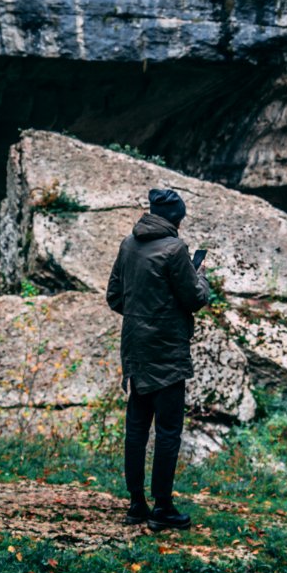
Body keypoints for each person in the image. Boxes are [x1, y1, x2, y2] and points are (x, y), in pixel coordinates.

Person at [106, 187, 209, 531]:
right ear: (174, 217)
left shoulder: (127, 245)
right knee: (167, 431)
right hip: (166, 353)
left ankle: (137, 504)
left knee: (136, 428)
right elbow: (194, 298)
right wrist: (201, 276)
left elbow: (115, 297)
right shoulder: (175, 248)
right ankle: (163, 507)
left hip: (136, 350)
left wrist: (142, 315)